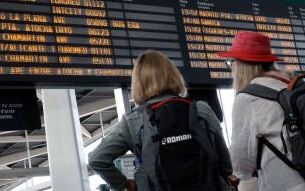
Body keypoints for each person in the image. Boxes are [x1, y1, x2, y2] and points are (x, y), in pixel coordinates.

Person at [88, 50, 232, 191]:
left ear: (138, 84)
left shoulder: (134, 121)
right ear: (173, 75)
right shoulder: (201, 109)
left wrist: (124, 183)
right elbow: (225, 165)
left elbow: (97, 159)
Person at [217, 31, 305, 191]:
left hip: (285, 185)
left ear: (242, 65)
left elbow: (242, 162)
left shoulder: (247, 98)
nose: (231, 68)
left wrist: (236, 173)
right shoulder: (294, 84)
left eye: (231, 62)